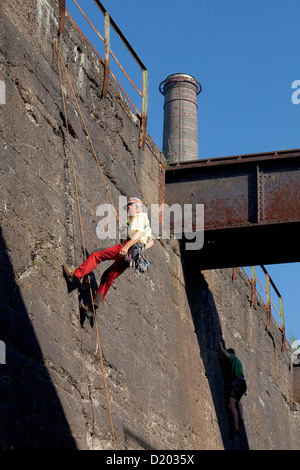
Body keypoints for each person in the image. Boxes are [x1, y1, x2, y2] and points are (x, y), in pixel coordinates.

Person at [63, 197, 153, 312]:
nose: (127, 209)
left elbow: (139, 234)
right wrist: (140, 249)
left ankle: (74, 277)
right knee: (108, 276)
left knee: (97, 254)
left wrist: (126, 247)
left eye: (128, 207)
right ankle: (92, 307)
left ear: (136, 207)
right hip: (133, 256)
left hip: (128, 249)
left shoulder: (140, 216)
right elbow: (151, 241)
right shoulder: (143, 221)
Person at [218, 341, 247, 435]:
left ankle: (236, 426)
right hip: (242, 384)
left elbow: (226, 355)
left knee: (231, 405)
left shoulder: (233, 358)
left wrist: (221, 347)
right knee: (238, 400)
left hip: (236, 383)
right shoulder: (238, 362)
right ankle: (241, 418)